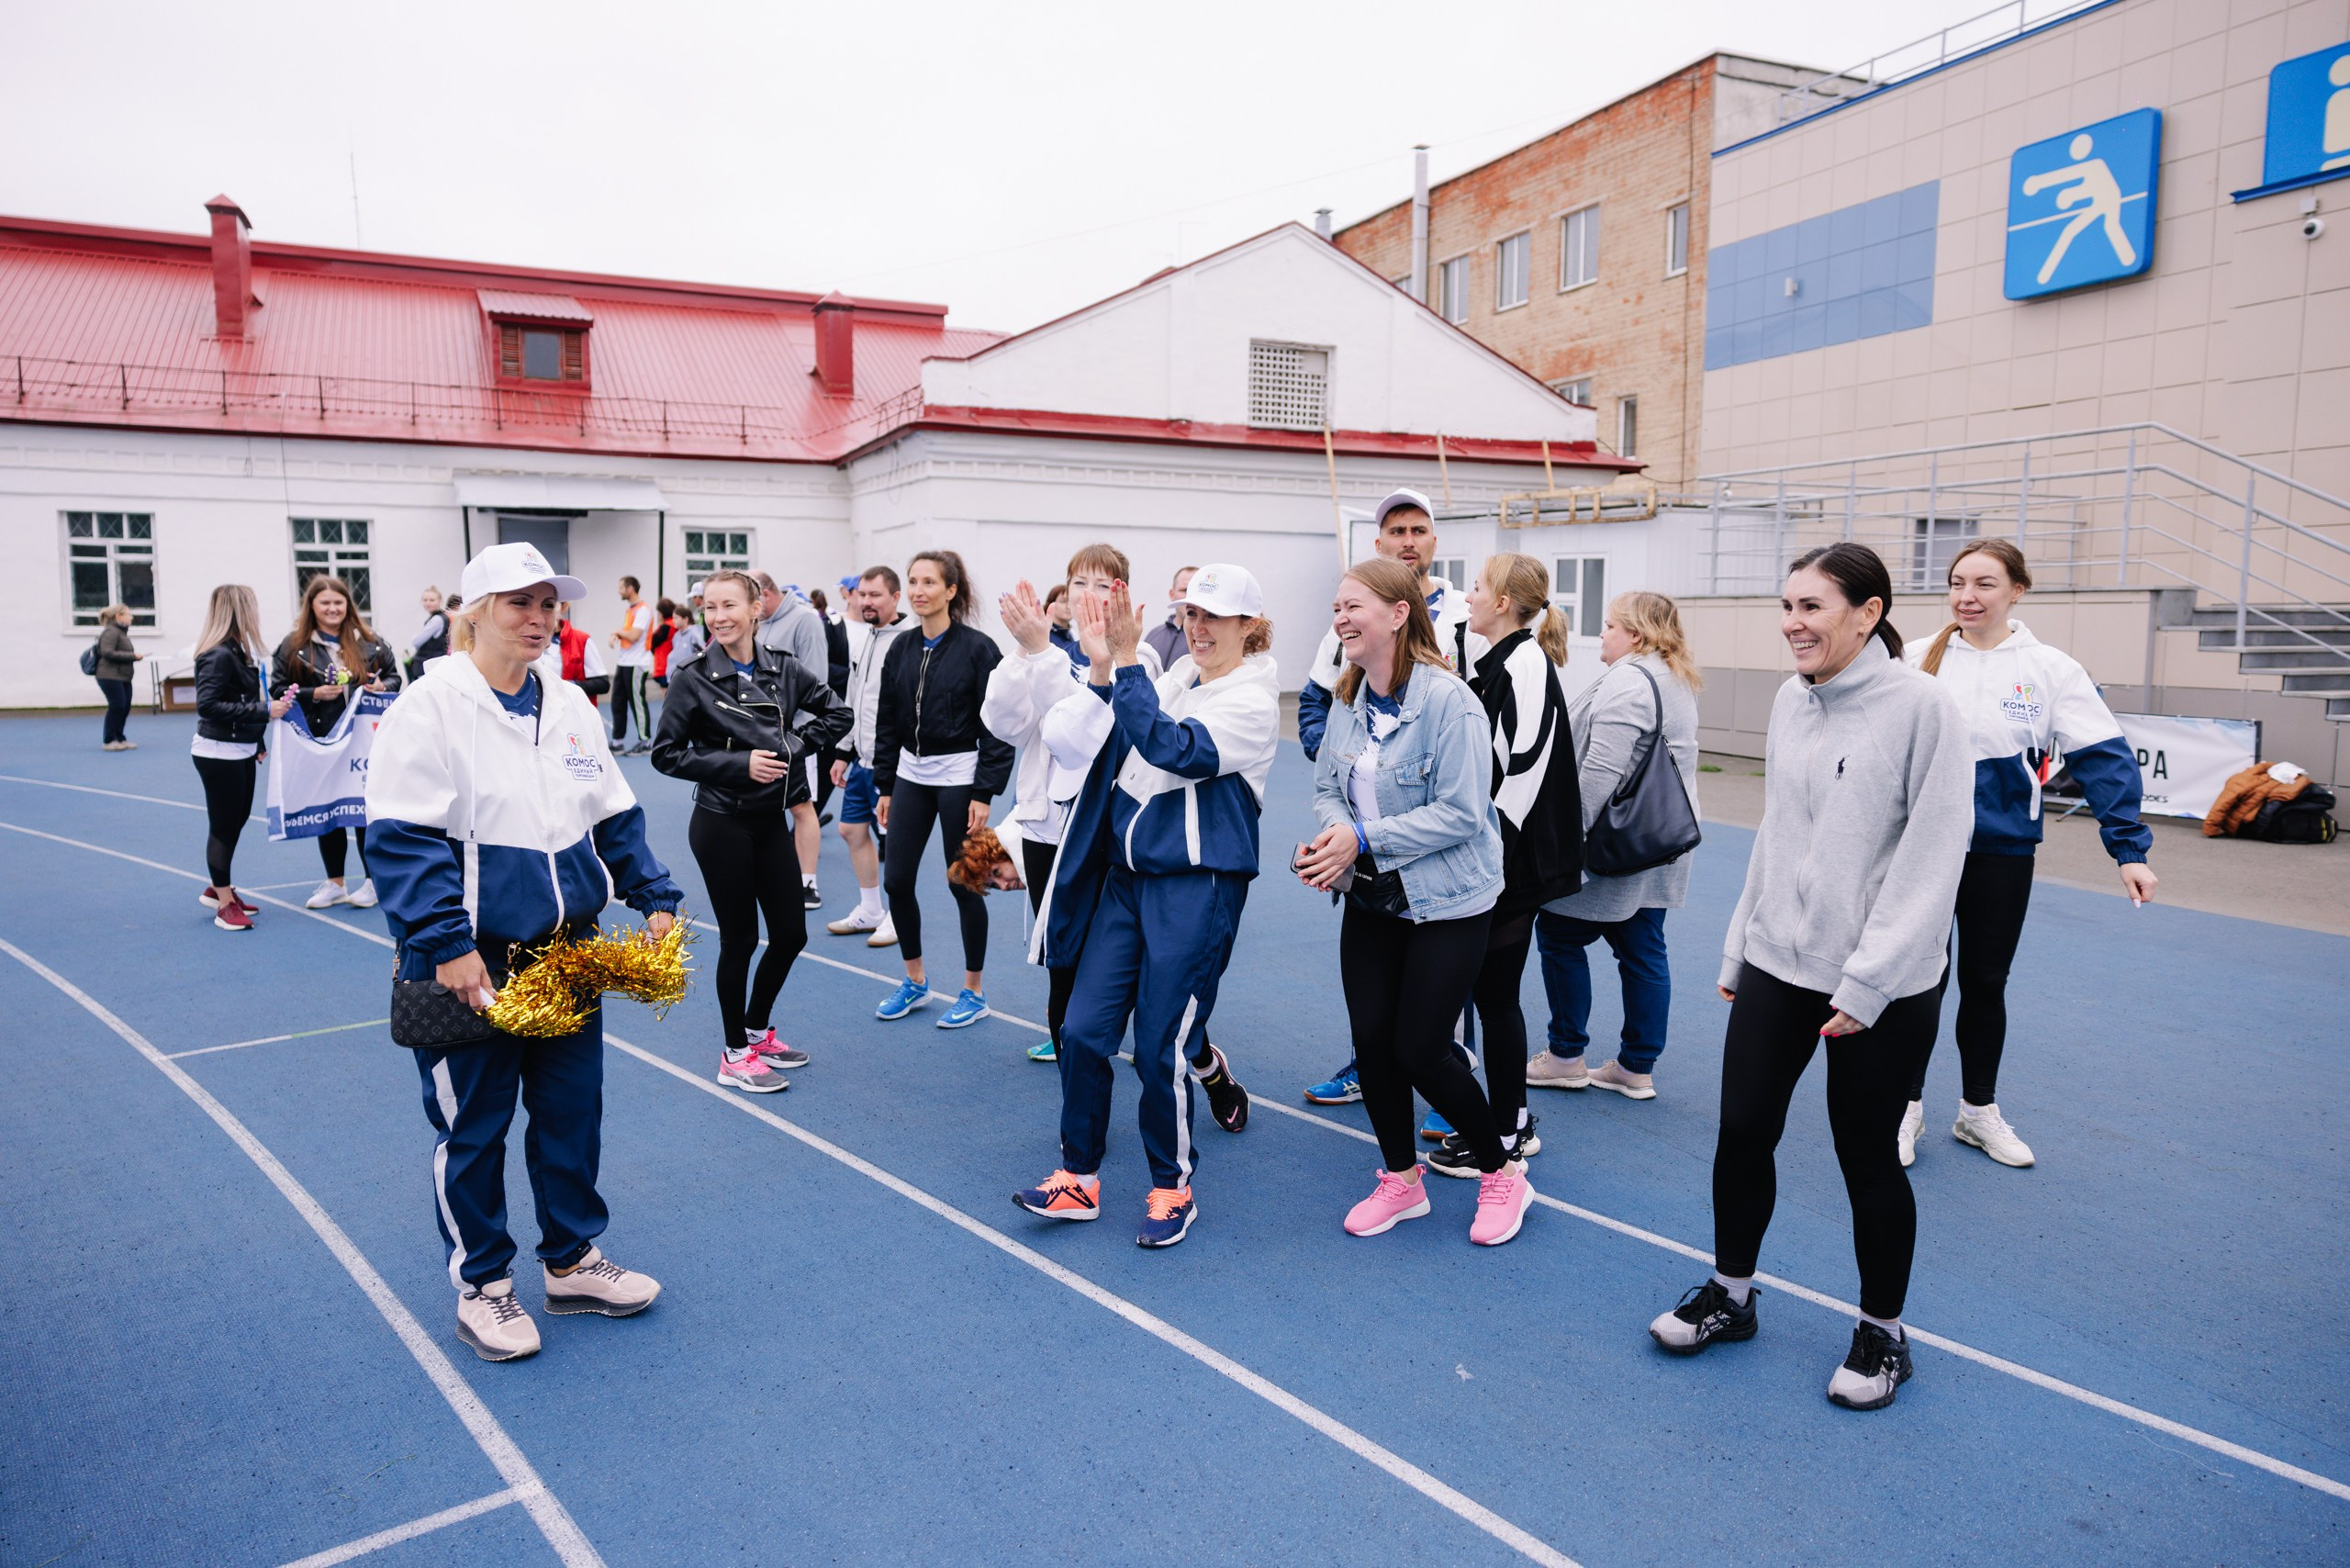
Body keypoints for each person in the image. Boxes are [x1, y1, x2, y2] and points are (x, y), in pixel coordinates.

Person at [1648, 543, 1970, 1415]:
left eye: (1813, 607)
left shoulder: (1925, 710)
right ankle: (1731, 1294)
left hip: (1882, 984)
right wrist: (1739, 948)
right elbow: (1778, 836)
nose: (1793, 622)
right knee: (1742, 1131)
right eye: (1786, 605)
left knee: (1866, 1157)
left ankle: (1884, 1334)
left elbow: (1933, 861)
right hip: (1777, 962)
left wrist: (1865, 985)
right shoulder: (1794, 701)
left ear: (1867, 614)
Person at [366, 540, 681, 1363]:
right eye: (520, 603)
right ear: (474, 614)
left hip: (567, 954)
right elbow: (401, 840)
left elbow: (610, 811)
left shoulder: (570, 704)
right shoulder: (428, 709)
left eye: (549, 604)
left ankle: (573, 1261)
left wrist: (651, 894)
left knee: (572, 1114)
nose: (539, 618)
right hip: (471, 962)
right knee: (475, 1128)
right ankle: (485, 1287)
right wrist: (444, 942)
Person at [1013, 566, 1278, 1248]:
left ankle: (1172, 1186)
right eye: (1191, 613)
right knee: (1082, 1030)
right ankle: (1079, 1176)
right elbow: (1089, 735)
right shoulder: (1177, 678)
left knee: (1158, 1046)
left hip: (1197, 889)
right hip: (1127, 886)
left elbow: (1172, 748)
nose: (1198, 628)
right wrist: (1095, 664)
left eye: (1215, 617)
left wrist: (1126, 664)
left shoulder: (1251, 699)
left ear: (1249, 626)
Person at [1899, 541, 2156, 1169]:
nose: (1967, 596)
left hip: (2002, 850)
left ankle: (1977, 1113)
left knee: (1985, 983)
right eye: (1958, 582)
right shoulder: (1912, 660)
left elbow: (2105, 759)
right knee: (1917, 983)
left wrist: (2129, 850)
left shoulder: (2050, 668)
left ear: (2018, 590)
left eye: (1985, 584)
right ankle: (1903, 1108)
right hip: (1919, 849)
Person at [1296, 558, 1530, 1246]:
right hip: (1373, 895)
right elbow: (1325, 788)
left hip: (1450, 900)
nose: (1339, 618)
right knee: (1372, 1046)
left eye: (1353, 606)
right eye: (1335, 607)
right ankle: (1402, 1180)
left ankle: (1503, 1171)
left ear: (1399, 614)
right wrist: (1338, 835)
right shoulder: (1348, 699)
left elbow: (1462, 812)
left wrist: (1361, 837)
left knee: (1421, 1049)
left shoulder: (1450, 700)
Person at [1301, 488, 1481, 1107]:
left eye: (1419, 529)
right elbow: (1316, 711)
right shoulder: (1348, 640)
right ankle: (1383, 1084)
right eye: (1396, 530)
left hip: (1444, 860)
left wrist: (1365, 826)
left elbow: (1472, 766)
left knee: (1428, 1034)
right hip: (1375, 866)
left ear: (1434, 540)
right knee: (1379, 1031)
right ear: (1379, 543)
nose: (1408, 539)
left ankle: (1452, 1098)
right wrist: (1347, 810)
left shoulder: (1463, 621)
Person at [652, 570, 852, 1092]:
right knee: (739, 940)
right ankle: (733, 1053)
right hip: (720, 823)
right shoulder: (692, 677)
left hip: (769, 819)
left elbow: (838, 714)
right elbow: (666, 754)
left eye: (728, 605)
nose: (718, 617)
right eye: (709, 607)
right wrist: (737, 764)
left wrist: (792, 748)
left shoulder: (784, 669)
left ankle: (757, 1030)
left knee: (791, 933)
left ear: (756, 608)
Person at [1427, 554, 1583, 1178]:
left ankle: (1510, 1129)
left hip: (1515, 862)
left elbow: (1522, 771)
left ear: (1503, 602)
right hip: (1505, 857)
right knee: (1493, 995)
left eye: (1478, 586)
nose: (1468, 596)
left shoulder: (1526, 664)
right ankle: (1507, 1120)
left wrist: (1488, 864)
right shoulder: (1498, 662)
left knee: (1494, 996)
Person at [1528, 591, 1705, 1102]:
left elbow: (1601, 771)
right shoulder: (1676, 678)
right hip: (1659, 840)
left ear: (1638, 634)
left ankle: (1565, 1056)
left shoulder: (1631, 681)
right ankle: (1636, 1066)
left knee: (1559, 937)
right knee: (1643, 948)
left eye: (1609, 625)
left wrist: (1565, 844)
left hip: (1614, 843)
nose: (1602, 634)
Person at [870, 551, 1013, 1026]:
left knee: (965, 883)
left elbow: (997, 726)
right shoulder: (902, 647)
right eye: (912, 581)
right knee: (895, 881)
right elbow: (889, 721)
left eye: (928, 582)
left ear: (950, 591)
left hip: (960, 778)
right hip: (910, 776)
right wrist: (884, 783)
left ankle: (973, 991)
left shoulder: (978, 649)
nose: (918, 590)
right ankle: (915, 981)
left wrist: (984, 791)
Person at [274, 575, 399, 910]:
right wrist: (312, 693)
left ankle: (373, 881)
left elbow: (395, 676)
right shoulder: (294, 646)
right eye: (325, 603)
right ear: (312, 607)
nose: (332, 608)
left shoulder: (369, 641)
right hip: (323, 740)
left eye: (338, 603)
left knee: (362, 810)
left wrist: (382, 687)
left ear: (348, 606)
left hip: (363, 743)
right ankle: (335, 882)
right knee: (330, 808)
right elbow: (277, 689)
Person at [190, 585, 293, 931]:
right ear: (240, 611)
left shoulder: (237, 650)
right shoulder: (218, 654)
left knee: (236, 821)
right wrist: (265, 710)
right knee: (223, 826)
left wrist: (257, 738)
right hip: (218, 752)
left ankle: (220, 887)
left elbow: (237, 698)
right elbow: (208, 705)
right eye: (252, 606)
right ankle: (223, 901)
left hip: (240, 748)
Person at [826, 566, 913, 947]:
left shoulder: (909, 641)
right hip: (860, 757)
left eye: (875, 595)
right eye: (862, 594)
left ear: (896, 598)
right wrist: (843, 750)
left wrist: (891, 766)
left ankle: (898, 915)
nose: (866, 602)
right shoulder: (863, 638)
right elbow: (853, 698)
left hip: (890, 763)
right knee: (850, 830)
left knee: (892, 839)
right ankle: (870, 910)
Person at [755, 572, 832, 911]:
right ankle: (771, 875)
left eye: (751, 603)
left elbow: (816, 678)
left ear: (767, 595)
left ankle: (807, 882)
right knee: (761, 807)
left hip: (795, 735)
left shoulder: (805, 620)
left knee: (801, 807)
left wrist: (796, 734)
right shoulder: (759, 621)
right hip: (756, 734)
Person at [609, 575, 655, 753]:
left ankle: (645, 742)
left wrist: (616, 632)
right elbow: (627, 632)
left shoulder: (643, 610)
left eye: (621, 587)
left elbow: (634, 636)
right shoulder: (631, 609)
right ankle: (618, 741)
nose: (619, 591)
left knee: (637, 703)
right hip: (624, 661)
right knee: (617, 702)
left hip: (637, 663)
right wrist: (617, 634)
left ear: (630, 589)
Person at [92, 603, 143, 750]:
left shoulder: (120, 632)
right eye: (128, 614)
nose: (131, 617)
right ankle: (108, 740)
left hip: (123, 676)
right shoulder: (111, 632)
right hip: (109, 676)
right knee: (117, 706)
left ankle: (119, 738)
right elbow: (107, 652)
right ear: (118, 616)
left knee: (124, 707)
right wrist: (132, 656)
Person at [1141, 565, 1197, 671]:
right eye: (1184, 590)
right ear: (1172, 594)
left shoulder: (1206, 639)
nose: (1189, 596)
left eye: (1194, 590)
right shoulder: (1154, 635)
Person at [407, 587, 451, 684]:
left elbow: (416, 641)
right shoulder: (439, 618)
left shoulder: (437, 620)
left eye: (432, 600)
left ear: (440, 601)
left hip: (429, 668)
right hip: (432, 667)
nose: (428, 603)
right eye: (425, 600)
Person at [648, 596, 679, 690]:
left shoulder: (666, 627)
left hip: (663, 666)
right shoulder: (676, 624)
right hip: (673, 665)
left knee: (668, 697)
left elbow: (652, 642)